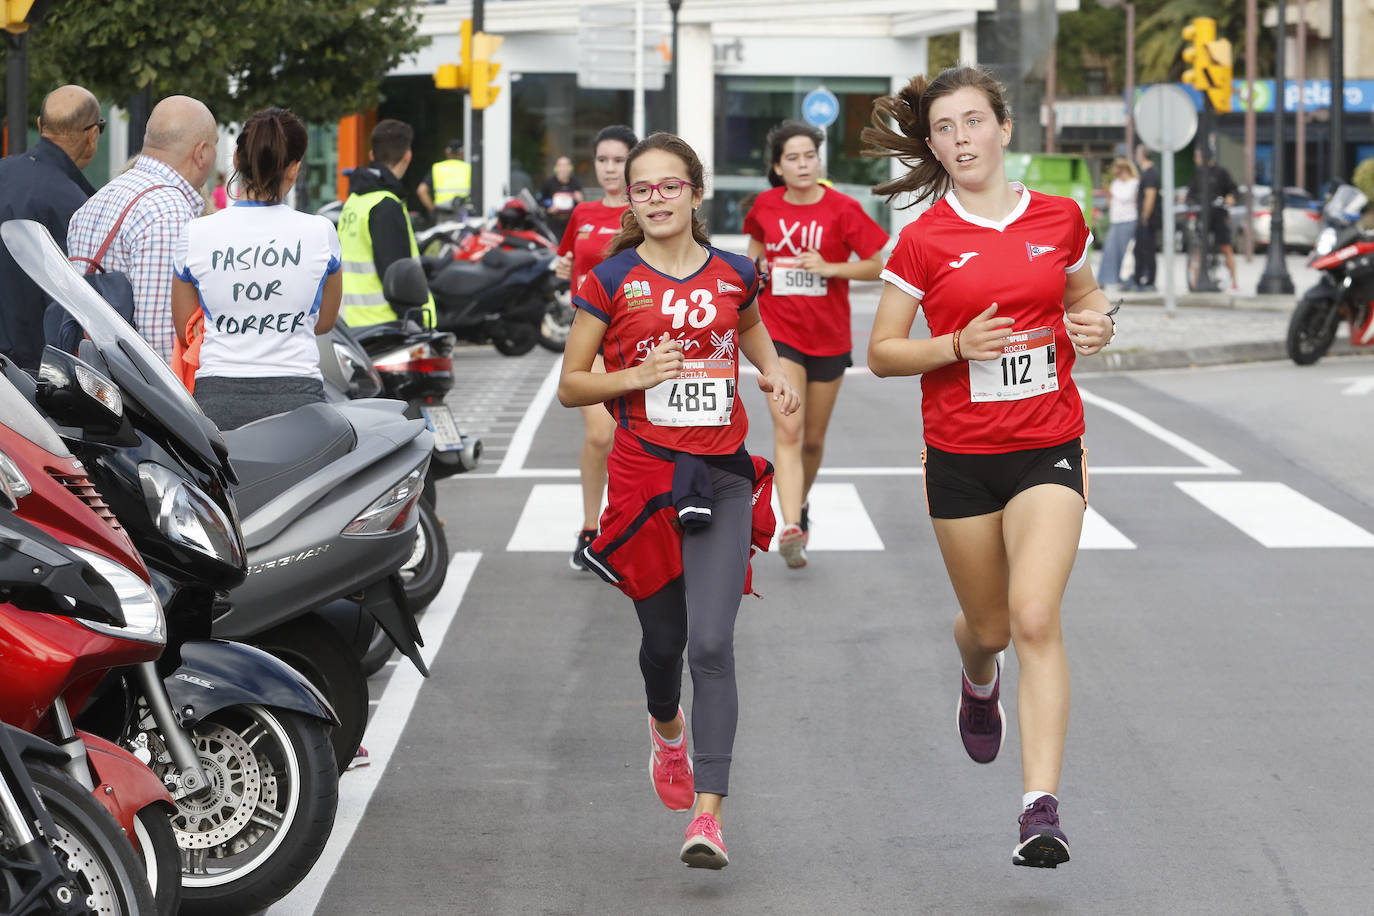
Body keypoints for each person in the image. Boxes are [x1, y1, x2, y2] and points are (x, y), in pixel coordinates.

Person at [862, 65, 1116, 869]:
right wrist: (953, 347)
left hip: (1049, 443)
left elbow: (1084, 300)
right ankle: (978, 676)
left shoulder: (1060, 217)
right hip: (963, 458)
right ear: (933, 145)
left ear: (1004, 129)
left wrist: (1097, 323)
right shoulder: (924, 238)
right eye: (945, 128)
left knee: (1035, 617)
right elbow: (882, 352)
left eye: (974, 122)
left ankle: (1039, 808)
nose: (961, 138)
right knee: (992, 627)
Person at [557, 132, 799, 870]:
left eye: (670, 186)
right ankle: (666, 732)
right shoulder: (612, 278)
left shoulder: (733, 273)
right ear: (629, 200)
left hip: (721, 475)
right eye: (643, 188)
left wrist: (775, 374)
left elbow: (755, 335)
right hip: (646, 481)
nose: (656, 199)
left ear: (696, 193)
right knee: (663, 647)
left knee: (712, 644)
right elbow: (572, 383)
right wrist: (635, 377)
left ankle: (708, 816)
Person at [743, 120, 888, 569]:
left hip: (828, 336)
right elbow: (751, 259)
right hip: (779, 333)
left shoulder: (842, 208)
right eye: (793, 158)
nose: (803, 164)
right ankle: (790, 525)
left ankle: (798, 505)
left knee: (812, 440)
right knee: (788, 428)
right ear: (777, 167)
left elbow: (875, 265)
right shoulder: (764, 207)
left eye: (810, 156)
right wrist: (752, 277)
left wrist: (830, 269)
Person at [170, 107, 342, 430]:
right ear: (294, 169)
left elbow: (187, 328)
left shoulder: (196, 233)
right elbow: (324, 321)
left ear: (236, 159)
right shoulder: (321, 233)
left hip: (217, 398)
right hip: (298, 398)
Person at [68, 95, 218, 363]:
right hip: (138, 396)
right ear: (202, 152)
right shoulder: (167, 211)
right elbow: (162, 340)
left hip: (94, 382)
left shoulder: (99, 199)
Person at [555, 124, 637, 571]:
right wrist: (563, 264)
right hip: (591, 340)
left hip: (638, 339)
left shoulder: (645, 212)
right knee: (601, 432)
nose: (610, 169)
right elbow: (568, 260)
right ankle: (592, 528)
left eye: (618, 160)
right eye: (603, 160)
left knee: (639, 437)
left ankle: (633, 523)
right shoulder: (582, 213)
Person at [0, 85, 102, 370]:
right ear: (92, 134)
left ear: (40, 126)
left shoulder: (3, 171)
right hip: (32, 371)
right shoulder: (78, 206)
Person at [337, 119, 435, 327]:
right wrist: (416, 321)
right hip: (388, 327)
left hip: (353, 324)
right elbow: (398, 276)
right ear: (407, 157)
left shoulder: (353, 202)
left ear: (372, 156)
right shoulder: (386, 206)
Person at [1186, 146, 1239, 291]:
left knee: (1226, 247)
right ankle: (1196, 280)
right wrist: (1189, 202)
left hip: (1219, 214)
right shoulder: (1198, 174)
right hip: (1202, 215)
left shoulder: (1221, 172)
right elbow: (1191, 193)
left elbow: (1233, 189)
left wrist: (1231, 198)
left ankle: (1234, 282)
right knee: (1198, 248)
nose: (1195, 159)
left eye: (1197, 155)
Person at [1097, 156, 1138, 290]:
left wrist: (1112, 193)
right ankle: (1104, 279)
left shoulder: (1134, 183)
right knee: (1109, 250)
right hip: (1115, 220)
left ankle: (1126, 280)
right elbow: (1110, 201)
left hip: (1128, 219)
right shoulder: (1116, 184)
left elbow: (1126, 197)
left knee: (1125, 252)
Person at [1131, 145, 1161, 292]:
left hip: (1147, 220)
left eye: (1137, 153)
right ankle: (1140, 279)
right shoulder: (1147, 173)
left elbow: (1150, 196)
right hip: (1145, 219)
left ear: (1142, 155)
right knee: (1140, 250)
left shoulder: (1150, 174)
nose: (1136, 156)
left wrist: (1144, 217)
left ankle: (1148, 281)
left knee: (1146, 251)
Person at [416, 139, 471, 217]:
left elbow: (421, 191)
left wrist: (433, 210)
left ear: (447, 153)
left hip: (442, 214)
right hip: (463, 213)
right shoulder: (469, 168)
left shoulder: (437, 168)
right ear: (462, 153)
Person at [540, 154, 584, 237]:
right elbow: (540, 200)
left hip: (570, 222)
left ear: (570, 168)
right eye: (561, 165)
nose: (564, 168)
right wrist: (548, 207)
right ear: (556, 168)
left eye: (566, 165)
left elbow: (581, 203)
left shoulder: (575, 183)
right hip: (553, 222)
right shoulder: (549, 183)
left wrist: (580, 199)